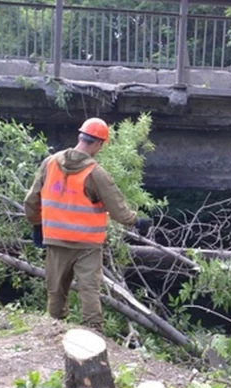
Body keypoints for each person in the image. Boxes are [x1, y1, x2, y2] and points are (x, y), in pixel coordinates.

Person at [24, 117, 152, 330]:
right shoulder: (95, 173)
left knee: (55, 291)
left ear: (80, 136)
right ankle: (93, 332)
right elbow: (119, 211)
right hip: (87, 245)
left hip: (55, 240)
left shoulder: (51, 163)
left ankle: (52, 331)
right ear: (98, 144)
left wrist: (37, 224)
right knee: (89, 291)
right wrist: (137, 221)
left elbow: (31, 201)